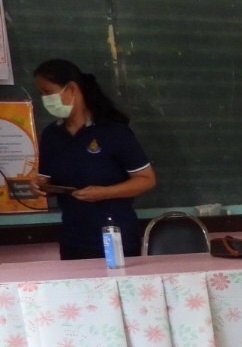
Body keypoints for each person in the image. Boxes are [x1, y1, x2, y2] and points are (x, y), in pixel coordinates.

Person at [33, 59, 157, 261]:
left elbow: (146, 179)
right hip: (73, 237)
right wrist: (40, 186)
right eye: (41, 94)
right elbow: (46, 179)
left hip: (115, 235)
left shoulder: (112, 131)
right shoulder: (51, 135)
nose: (45, 99)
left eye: (48, 92)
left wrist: (104, 193)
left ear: (71, 89)